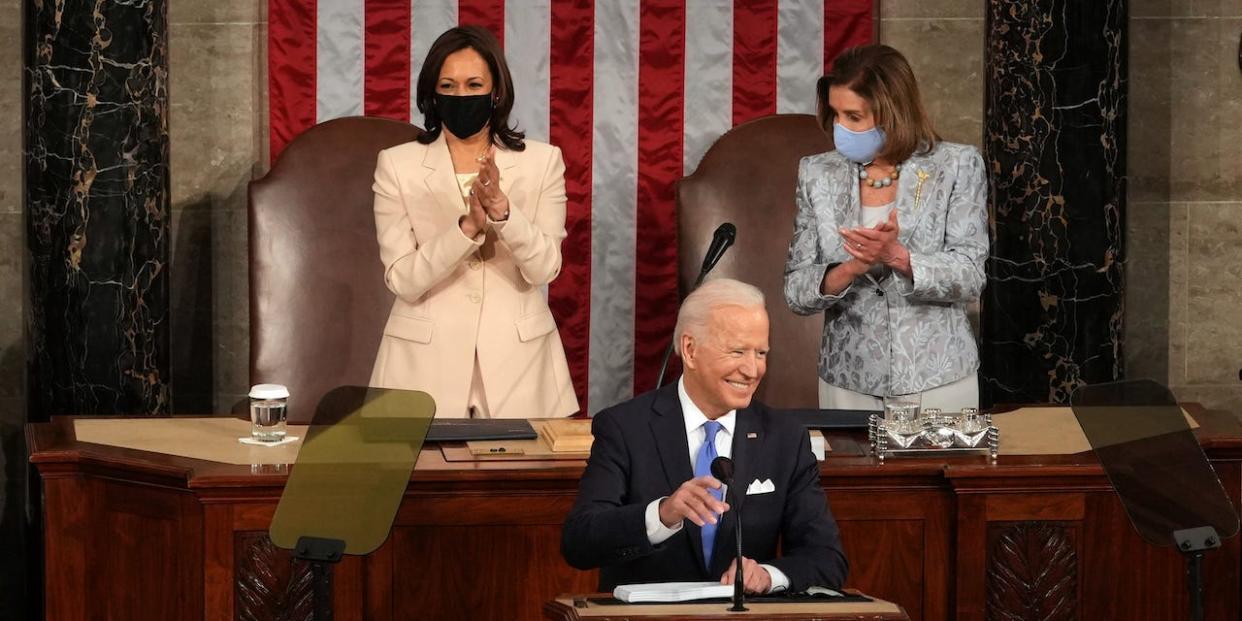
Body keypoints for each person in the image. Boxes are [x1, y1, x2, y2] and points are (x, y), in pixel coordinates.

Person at [562, 278, 848, 594]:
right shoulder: (625, 427)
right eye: (738, 351)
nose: (752, 370)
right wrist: (661, 515)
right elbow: (580, 541)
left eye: (761, 353)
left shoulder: (785, 438)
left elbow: (826, 558)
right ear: (690, 349)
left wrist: (767, 575)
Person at [369, 26, 578, 419]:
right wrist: (466, 228)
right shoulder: (396, 165)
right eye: (448, 86)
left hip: (521, 369)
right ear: (432, 94)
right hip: (422, 370)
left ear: (496, 91)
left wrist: (502, 212)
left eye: (473, 84)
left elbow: (544, 268)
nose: (461, 96)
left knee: (522, 482)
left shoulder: (542, 161)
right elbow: (402, 279)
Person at [784, 44, 988, 412]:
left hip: (938, 379)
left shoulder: (957, 165)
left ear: (892, 113)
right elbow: (797, 290)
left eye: (854, 116)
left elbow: (972, 276)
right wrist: (850, 269)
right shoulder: (817, 173)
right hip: (848, 380)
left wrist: (898, 257)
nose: (840, 128)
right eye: (835, 114)